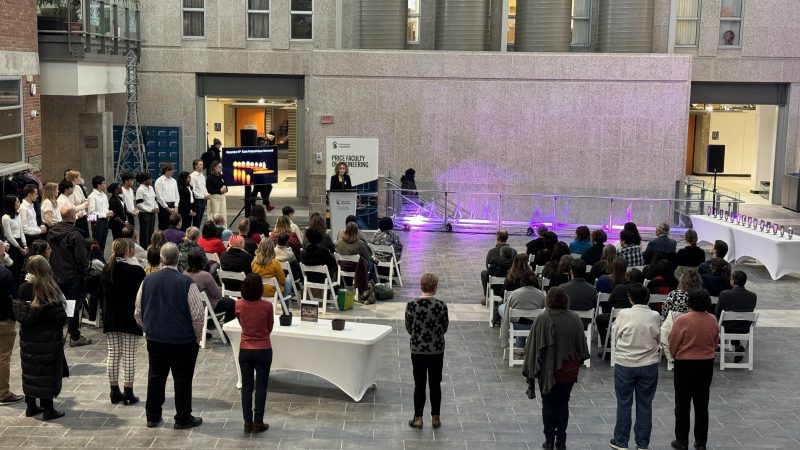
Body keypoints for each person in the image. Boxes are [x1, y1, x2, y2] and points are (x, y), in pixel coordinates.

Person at [134, 243, 204, 429]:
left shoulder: (147, 280)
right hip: (183, 340)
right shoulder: (186, 282)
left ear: (162, 259)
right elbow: (197, 314)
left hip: (156, 339)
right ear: (178, 259)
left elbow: (138, 311)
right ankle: (182, 417)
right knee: (182, 379)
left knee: (156, 377)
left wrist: (149, 329)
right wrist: (197, 337)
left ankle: (153, 415)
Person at [522, 287, 590, 450]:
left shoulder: (542, 319)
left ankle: (549, 439)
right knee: (563, 403)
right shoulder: (575, 318)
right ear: (566, 300)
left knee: (548, 403)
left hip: (546, 370)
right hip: (568, 370)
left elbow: (532, 346)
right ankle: (561, 440)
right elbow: (581, 347)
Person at [13, 256, 67, 420]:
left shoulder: (23, 288)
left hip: (29, 341)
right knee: (47, 372)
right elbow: (60, 317)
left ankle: (31, 405)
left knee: (31, 371)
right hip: (48, 341)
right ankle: (48, 409)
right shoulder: (50, 290)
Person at [608, 283, 661, 450]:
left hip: (626, 363)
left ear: (630, 298)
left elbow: (615, 333)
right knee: (645, 404)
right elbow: (658, 337)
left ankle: (621, 441)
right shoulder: (655, 315)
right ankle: (642, 443)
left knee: (624, 402)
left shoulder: (624, 313)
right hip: (649, 364)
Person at [668, 290, 719, 450]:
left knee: (682, 404)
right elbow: (715, 341)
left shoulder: (682, 320)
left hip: (685, 363)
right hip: (706, 363)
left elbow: (673, 343)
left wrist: (675, 356)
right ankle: (701, 442)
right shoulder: (712, 319)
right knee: (702, 404)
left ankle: (682, 440)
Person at [101, 239, 146, 406]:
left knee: (113, 353)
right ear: (128, 251)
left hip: (110, 316)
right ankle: (128, 391)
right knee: (128, 355)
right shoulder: (136, 271)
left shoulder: (107, 269)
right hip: (129, 316)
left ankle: (114, 391)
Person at [405, 273, 448, 430]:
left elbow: (409, 328)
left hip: (417, 349)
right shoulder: (441, 305)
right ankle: (435, 417)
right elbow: (445, 327)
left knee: (419, 384)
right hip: (436, 349)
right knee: (435, 383)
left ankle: (418, 418)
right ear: (435, 287)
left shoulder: (411, 305)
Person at [48, 206, 92, 347]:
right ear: (73, 217)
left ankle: (58, 335)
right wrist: (86, 272)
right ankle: (75, 335)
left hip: (55, 274)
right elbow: (81, 257)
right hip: (72, 276)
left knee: (58, 305)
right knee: (72, 306)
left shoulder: (51, 232)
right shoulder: (75, 234)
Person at [236, 273, 274, 433]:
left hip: (245, 348)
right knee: (261, 386)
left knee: (246, 386)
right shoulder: (266, 306)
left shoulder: (238, 304)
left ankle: (247, 421)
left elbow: (240, 322)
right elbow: (269, 326)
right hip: (263, 347)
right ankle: (258, 421)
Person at [715, 270, 757, 362]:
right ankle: (737, 345)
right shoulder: (753, 296)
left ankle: (714, 344)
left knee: (715, 319)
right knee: (737, 320)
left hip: (726, 327)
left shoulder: (725, 294)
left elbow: (717, 313)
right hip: (745, 328)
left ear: (733, 281)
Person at [498, 271, 544, 352]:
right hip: (535, 325)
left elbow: (506, 318)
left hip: (517, 325)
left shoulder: (515, 294)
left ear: (522, 281)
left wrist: (504, 342)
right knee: (524, 316)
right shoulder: (541, 295)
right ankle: (521, 344)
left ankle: (520, 345)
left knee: (503, 308)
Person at [185, 250, 235, 323]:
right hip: (207, 306)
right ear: (202, 261)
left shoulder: (184, 273)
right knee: (231, 303)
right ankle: (226, 331)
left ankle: (211, 322)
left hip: (192, 306)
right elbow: (218, 295)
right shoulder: (205, 276)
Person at [0, 254, 21, 405]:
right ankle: (3, 393)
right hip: (4, 321)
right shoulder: (5, 274)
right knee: (3, 358)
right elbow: (13, 298)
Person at [480, 230, 517, 303]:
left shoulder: (492, 252)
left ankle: (487, 297)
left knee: (484, 273)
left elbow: (488, 266)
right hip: (510, 276)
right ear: (507, 238)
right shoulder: (514, 251)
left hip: (495, 276)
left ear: (497, 238)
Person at [560, 259, 597, 329]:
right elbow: (594, 307)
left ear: (571, 271)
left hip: (566, 324)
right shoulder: (592, 289)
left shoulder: (562, 288)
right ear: (585, 271)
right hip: (585, 325)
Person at [2, 195, 27, 282]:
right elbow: (9, 236)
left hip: (19, 242)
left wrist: (25, 245)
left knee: (20, 269)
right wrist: (20, 249)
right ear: (12, 204)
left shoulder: (18, 215)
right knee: (12, 269)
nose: (19, 203)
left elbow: (21, 231)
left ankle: (17, 290)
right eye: (17, 201)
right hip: (12, 245)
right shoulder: (5, 217)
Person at [87, 176, 113, 250]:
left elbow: (106, 208)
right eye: (104, 183)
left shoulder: (104, 195)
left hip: (105, 221)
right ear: (98, 185)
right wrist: (105, 214)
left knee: (103, 242)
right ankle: (96, 259)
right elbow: (90, 215)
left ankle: (101, 259)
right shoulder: (92, 196)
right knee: (97, 242)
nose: (106, 184)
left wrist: (109, 212)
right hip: (97, 222)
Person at [135, 172, 159, 249]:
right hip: (144, 214)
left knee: (151, 232)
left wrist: (156, 207)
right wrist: (150, 210)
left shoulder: (151, 188)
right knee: (144, 233)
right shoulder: (140, 190)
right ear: (144, 181)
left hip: (152, 214)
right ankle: (144, 248)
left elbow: (154, 199)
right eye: (149, 179)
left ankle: (150, 248)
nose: (151, 180)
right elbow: (139, 204)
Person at [155, 163, 179, 231]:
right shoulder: (159, 181)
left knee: (173, 226)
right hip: (164, 206)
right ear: (164, 171)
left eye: (172, 170)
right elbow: (159, 196)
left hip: (173, 205)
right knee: (164, 226)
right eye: (169, 170)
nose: (171, 172)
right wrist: (167, 208)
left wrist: (176, 206)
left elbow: (176, 194)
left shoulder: (174, 181)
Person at [65, 170, 90, 237]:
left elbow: (84, 199)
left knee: (86, 236)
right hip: (76, 217)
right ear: (75, 179)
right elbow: (72, 208)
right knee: (80, 237)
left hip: (83, 215)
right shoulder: (69, 189)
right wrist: (84, 205)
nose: (81, 178)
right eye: (79, 177)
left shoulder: (78, 187)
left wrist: (84, 203)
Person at [206, 160, 228, 227]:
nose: (221, 168)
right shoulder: (210, 177)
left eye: (221, 167)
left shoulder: (222, 176)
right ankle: (214, 230)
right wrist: (219, 190)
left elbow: (226, 185)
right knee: (215, 215)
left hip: (222, 197)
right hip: (214, 198)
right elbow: (209, 190)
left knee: (223, 214)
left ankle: (224, 230)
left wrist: (225, 189)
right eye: (219, 167)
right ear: (214, 167)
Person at [189, 159, 210, 228]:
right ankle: (194, 235)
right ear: (195, 166)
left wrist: (207, 194)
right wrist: (203, 196)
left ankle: (197, 234)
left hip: (203, 200)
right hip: (196, 200)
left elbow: (204, 188)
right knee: (196, 220)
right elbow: (193, 191)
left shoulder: (202, 176)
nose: (202, 166)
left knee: (200, 220)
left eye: (202, 164)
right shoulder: (192, 176)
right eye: (200, 164)